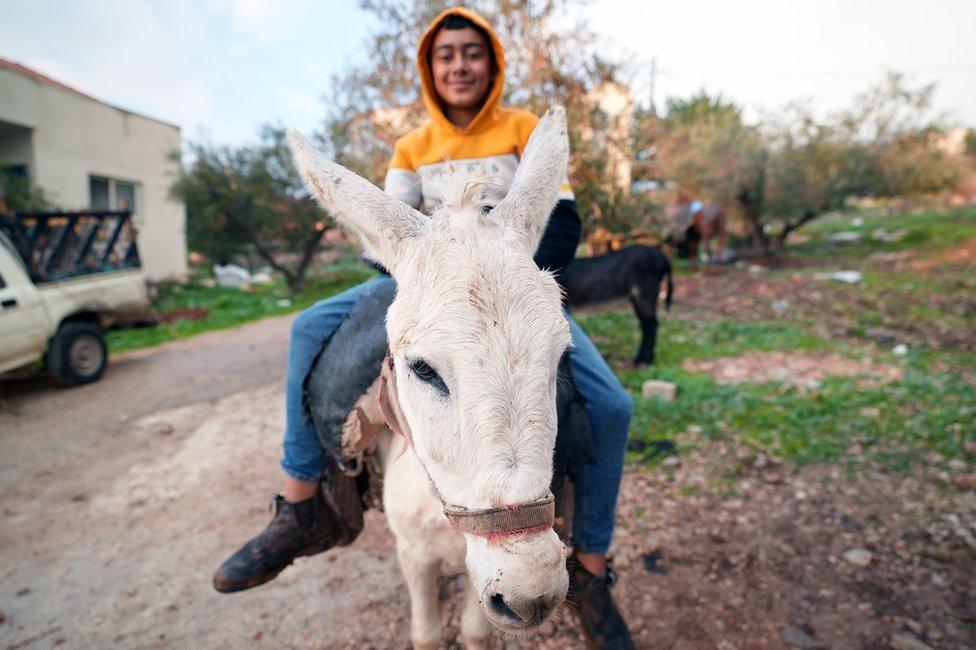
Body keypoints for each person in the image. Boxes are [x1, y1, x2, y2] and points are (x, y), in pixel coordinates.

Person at [213, 7, 634, 646]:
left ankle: (592, 569)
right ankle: (299, 507)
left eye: (472, 52)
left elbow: (563, 223)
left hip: (510, 286)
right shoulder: (412, 146)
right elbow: (385, 228)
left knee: (612, 406)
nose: (459, 64)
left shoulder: (523, 129)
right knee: (306, 329)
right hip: (420, 281)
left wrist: (508, 279)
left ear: (491, 64)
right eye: (446, 56)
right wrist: (430, 271)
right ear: (430, 70)